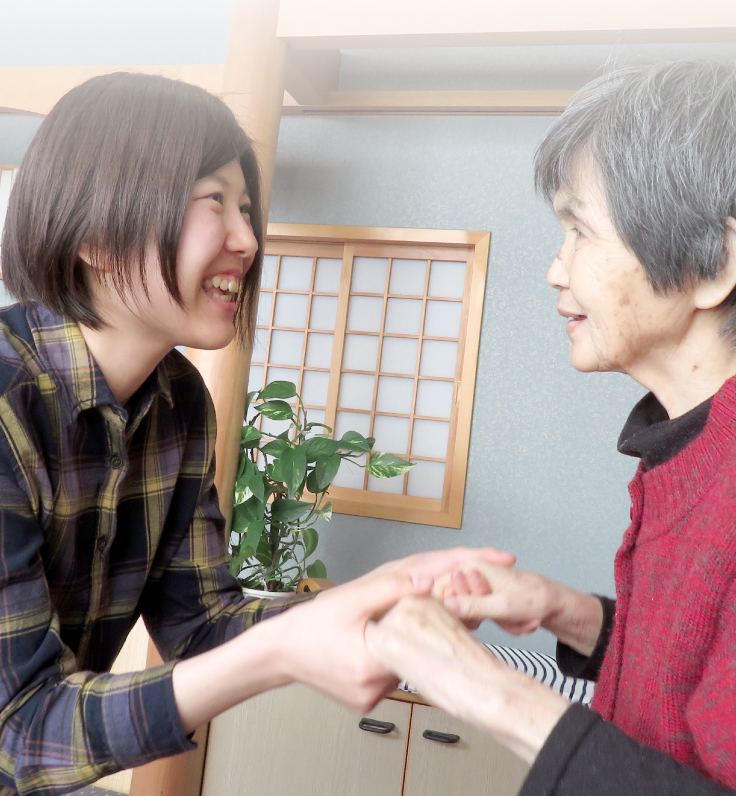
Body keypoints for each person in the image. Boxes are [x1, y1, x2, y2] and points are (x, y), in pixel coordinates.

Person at [0, 72, 511, 796]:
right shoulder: (7, 403)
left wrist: (370, 603)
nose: (247, 238)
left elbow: (203, 623)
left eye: (245, 206)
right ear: (96, 236)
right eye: (214, 200)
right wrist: (279, 652)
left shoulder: (179, 402)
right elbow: (20, 731)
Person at [365, 60, 736, 796]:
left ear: (714, 265)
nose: (555, 271)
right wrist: (565, 611)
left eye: (580, 231)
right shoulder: (688, 445)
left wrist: (481, 686)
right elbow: (694, 681)